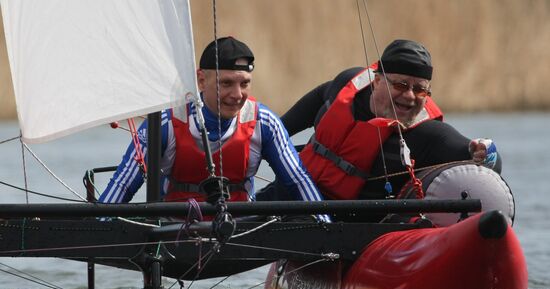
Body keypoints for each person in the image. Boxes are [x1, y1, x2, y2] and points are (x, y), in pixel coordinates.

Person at [99, 36, 329, 221]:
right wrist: (96, 229)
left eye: (244, 83)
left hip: (239, 229)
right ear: (201, 80)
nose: (237, 95)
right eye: (226, 83)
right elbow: (123, 185)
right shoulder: (165, 122)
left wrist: (325, 227)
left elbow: (298, 181)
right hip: (171, 229)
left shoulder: (264, 122)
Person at [256, 39, 500, 204]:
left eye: (420, 90)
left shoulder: (430, 135)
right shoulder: (346, 85)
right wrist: (259, 144)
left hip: (352, 230)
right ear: (376, 81)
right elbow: (282, 125)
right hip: (293, 194)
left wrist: (486, 151)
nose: (409, 96)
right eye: (401, 85)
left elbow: (488, 166)